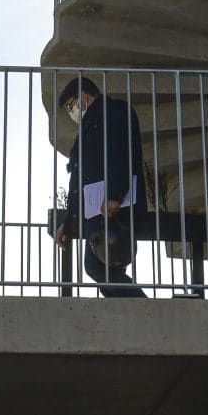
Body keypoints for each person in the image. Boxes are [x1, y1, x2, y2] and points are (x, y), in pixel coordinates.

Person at [55, 76, 146, 299]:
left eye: (71, 105)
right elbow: (79, 179)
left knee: (96, 266)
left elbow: (123, 152)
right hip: (98, 209)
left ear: (84, 96)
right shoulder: (88, 128)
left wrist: (115, 194)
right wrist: (68, 221)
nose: (72, 112)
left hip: (115, 206)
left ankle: (147, 309)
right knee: (108, 266)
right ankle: (134, 315)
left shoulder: (114, 112)